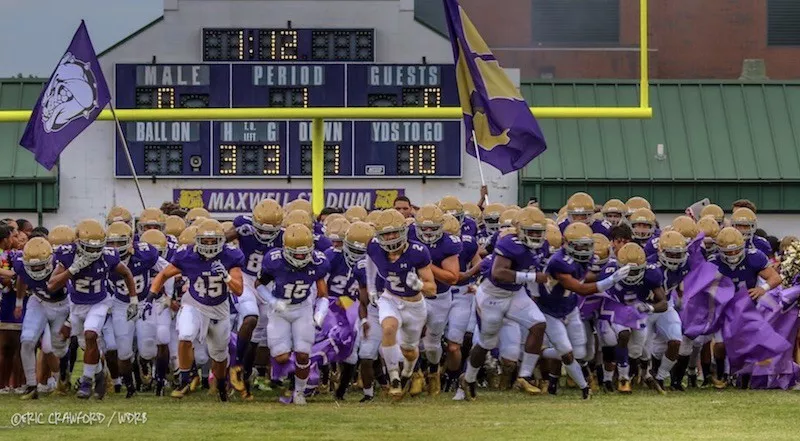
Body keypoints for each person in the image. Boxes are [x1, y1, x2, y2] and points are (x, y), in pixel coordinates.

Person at [48, 219, 138, 399]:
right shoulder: (67, 255)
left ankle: (86, 381)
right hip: (76, 305)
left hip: (99, 302)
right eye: (89, 247)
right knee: (86, 344)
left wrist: (133, 299)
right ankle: (99, 376)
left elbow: (126, 273)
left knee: (91, 335)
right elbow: (51, 285)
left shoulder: (108, 255)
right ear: (77, 243)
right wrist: (72, 269)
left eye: (98, 248)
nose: (94, 252)